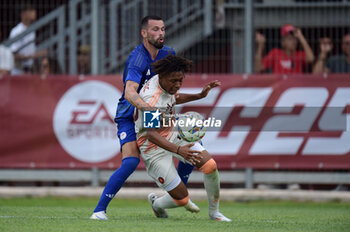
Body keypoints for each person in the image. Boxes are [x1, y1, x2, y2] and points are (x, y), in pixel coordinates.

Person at [90, 16, 210, 220]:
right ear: (144, 33)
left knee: (193, 141)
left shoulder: (168, 54)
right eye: (155, 29)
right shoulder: (137, 58)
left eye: (163, 29)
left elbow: (170, 92)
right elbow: (129, 93)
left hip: (155, 115)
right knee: (129, 163)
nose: (161, 33)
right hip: (130, 115)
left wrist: (197, 95)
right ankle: (99, 211)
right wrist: (150, 110)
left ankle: (177, 194)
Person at [136, 55, 231, 221]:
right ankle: (157, 204)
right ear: (163, 77)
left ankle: (214, 213)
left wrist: (199, 96)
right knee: (182, 199)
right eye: (174, 81)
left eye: (180, 80)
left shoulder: (165, 82)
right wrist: (180, 150)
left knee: (210, 166)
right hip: (152, 146)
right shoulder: (151, 99)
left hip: (172, 134)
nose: (178, 85)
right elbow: (151, 134)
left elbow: (174, 97)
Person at [9, 4, 48, 75]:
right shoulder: (17, 31)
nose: (34, 13)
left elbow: (29, 51)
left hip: (29, 71)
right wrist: (35, 55)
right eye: (31, 11)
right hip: (18, 71)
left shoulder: (31, 30)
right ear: (23, 14)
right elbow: (14, 55)